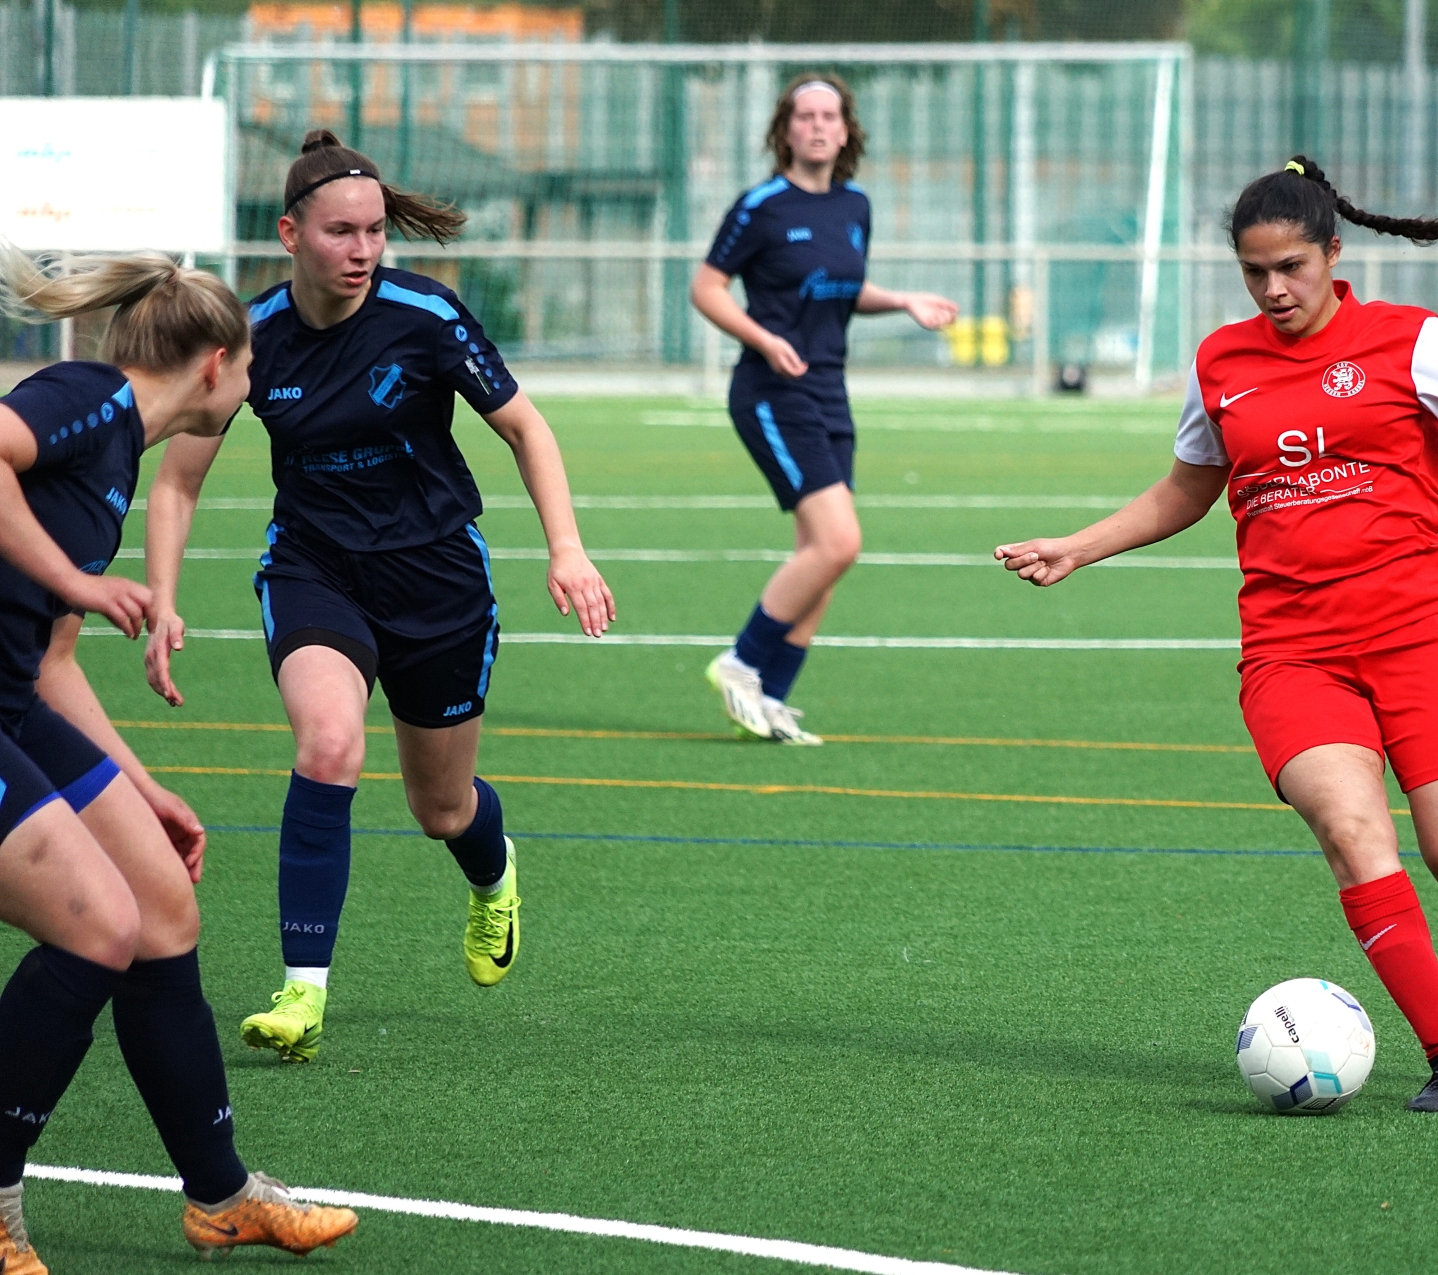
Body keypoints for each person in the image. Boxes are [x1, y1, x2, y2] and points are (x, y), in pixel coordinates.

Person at [995, 157, 1438, 1113]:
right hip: (1292, 651)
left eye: (1291, 268)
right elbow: (1187, 489)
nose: (1273, 290)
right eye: (1254, 272)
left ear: (1334, 254)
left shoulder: (1410, 339)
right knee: (1353, 832)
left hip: (1424, 630)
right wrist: (1079, 547)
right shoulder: (1220, 363)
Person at [143, 129, 616, 1063]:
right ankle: (302, 991)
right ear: (290, 233)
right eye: (340, 233)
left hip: (437, 578)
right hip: (315, 569)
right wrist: (161, 594)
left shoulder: (425, 316)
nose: (362, 250)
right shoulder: (250, 337)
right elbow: (178, 481)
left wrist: (567, 549)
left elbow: (526, 428)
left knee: (441, 808)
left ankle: (493, 875)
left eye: (374, 232)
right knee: (328, 744)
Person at [0, 247, 359, 1269]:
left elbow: (51, 663)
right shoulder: (88, 395)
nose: (250, 390)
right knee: (98, 927)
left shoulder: (119, 454)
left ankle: (221, 1196)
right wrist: (78, 578)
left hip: (14, 703)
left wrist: (139, 785)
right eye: (248, 370)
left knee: (160, 909)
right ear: (215, 365)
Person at [691, 74, 958, 744]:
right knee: (839, 542)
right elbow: (707, 288)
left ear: (845, 131)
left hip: (830, 392)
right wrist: (763, 338)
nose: (817, 126)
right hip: (771, 391)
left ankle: (770, 700)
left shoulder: (855, 205)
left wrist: (902, 300)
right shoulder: (761, 206)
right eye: (804, 116)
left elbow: (844, 288)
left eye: (828, 116)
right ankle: (741, 663)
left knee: (824, 554)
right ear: (786, 130)